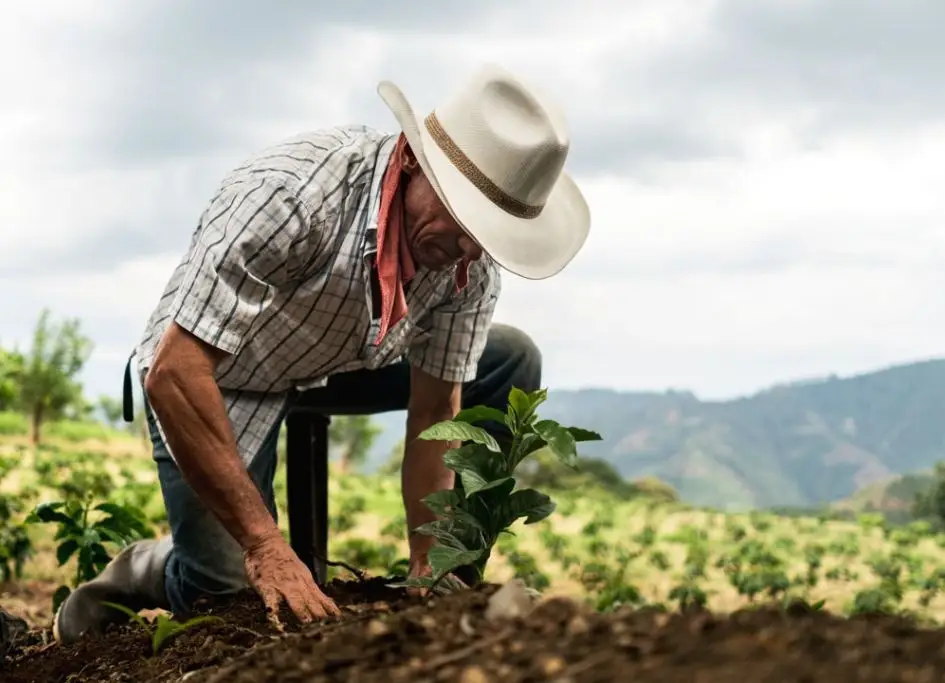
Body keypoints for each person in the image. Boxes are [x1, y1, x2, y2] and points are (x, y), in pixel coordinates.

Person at [53, 63, 591, 644]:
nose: (468, 248)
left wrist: (429, 563)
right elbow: (176, 371)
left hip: (340, 360)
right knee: (225, 591)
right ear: (412, 160)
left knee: (510, 358)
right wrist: (264, 544)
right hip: (220, 372)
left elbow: (437, 411)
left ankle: (453, 578)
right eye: (463, 220)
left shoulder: (467, 263)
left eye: (487, 234)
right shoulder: (292, 196)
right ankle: (146, 567)